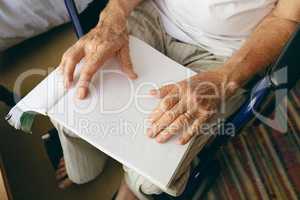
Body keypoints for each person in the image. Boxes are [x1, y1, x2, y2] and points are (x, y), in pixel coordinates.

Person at [52, 0, 300, 200]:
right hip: (154, 13)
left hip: (226, 55)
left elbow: (286, 18)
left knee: (150, 175)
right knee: (72, 101)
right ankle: (84, 166)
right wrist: (114, 14)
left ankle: (131, 188)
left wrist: (226, 78)